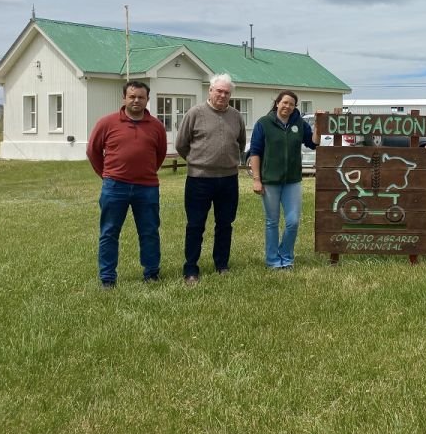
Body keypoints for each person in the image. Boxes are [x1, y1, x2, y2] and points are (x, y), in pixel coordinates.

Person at [86, 81, 167, 289]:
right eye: (132, 96)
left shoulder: (157, 126)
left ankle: (151, 273)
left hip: (147, 188)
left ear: (147, 100)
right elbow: (93, 152)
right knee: (109, 232)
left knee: (149, 232)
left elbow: (160, 155)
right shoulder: (107, 123)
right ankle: (107, 278)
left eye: (140, 97)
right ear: (124, 98)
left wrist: (145, 172)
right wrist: (106, 175)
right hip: (115, 187)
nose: (136, 100)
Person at [175, 73, 247, 284]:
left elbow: (241, 143)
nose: (223, 95)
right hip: (199, 180)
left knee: (225, 224)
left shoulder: (236, 116)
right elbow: (181, 144)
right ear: (210, 90)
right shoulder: (195, 113)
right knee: (195, 225)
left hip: (228, 179)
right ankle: (191, 269)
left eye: (227, 92)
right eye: (219, 91)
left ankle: (221, 264)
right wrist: (198, 160)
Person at [248, 90, 319, 269]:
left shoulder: (300, 124)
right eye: (284, 102)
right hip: (270, 181)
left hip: (292, 181)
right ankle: (273, 260)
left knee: (293, 221)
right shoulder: (264, 123)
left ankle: (286, 257)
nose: (287, 106)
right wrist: (257, 179)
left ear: (295, 107)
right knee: (272, 222)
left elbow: (313, 143)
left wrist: (318, 124)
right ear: (277, 103)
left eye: (292, 104)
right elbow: (255, 152)